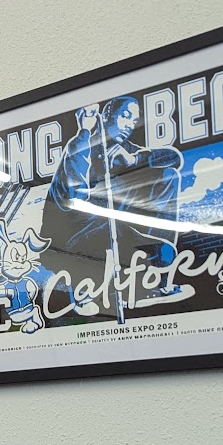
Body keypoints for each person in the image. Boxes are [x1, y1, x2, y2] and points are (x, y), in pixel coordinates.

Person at [41, 96, 187, 315]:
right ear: (107, 116)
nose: (129, 124)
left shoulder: (124, 149)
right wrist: (85, 132)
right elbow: (71, 193)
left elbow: (174, 158)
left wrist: (134, 160)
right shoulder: (81, 146)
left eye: (134, 119)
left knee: (168, 177)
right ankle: (86, 289)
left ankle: (156, 276)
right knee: (113, 224)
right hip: (71, 244)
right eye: (125, 116)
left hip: (117, 234)